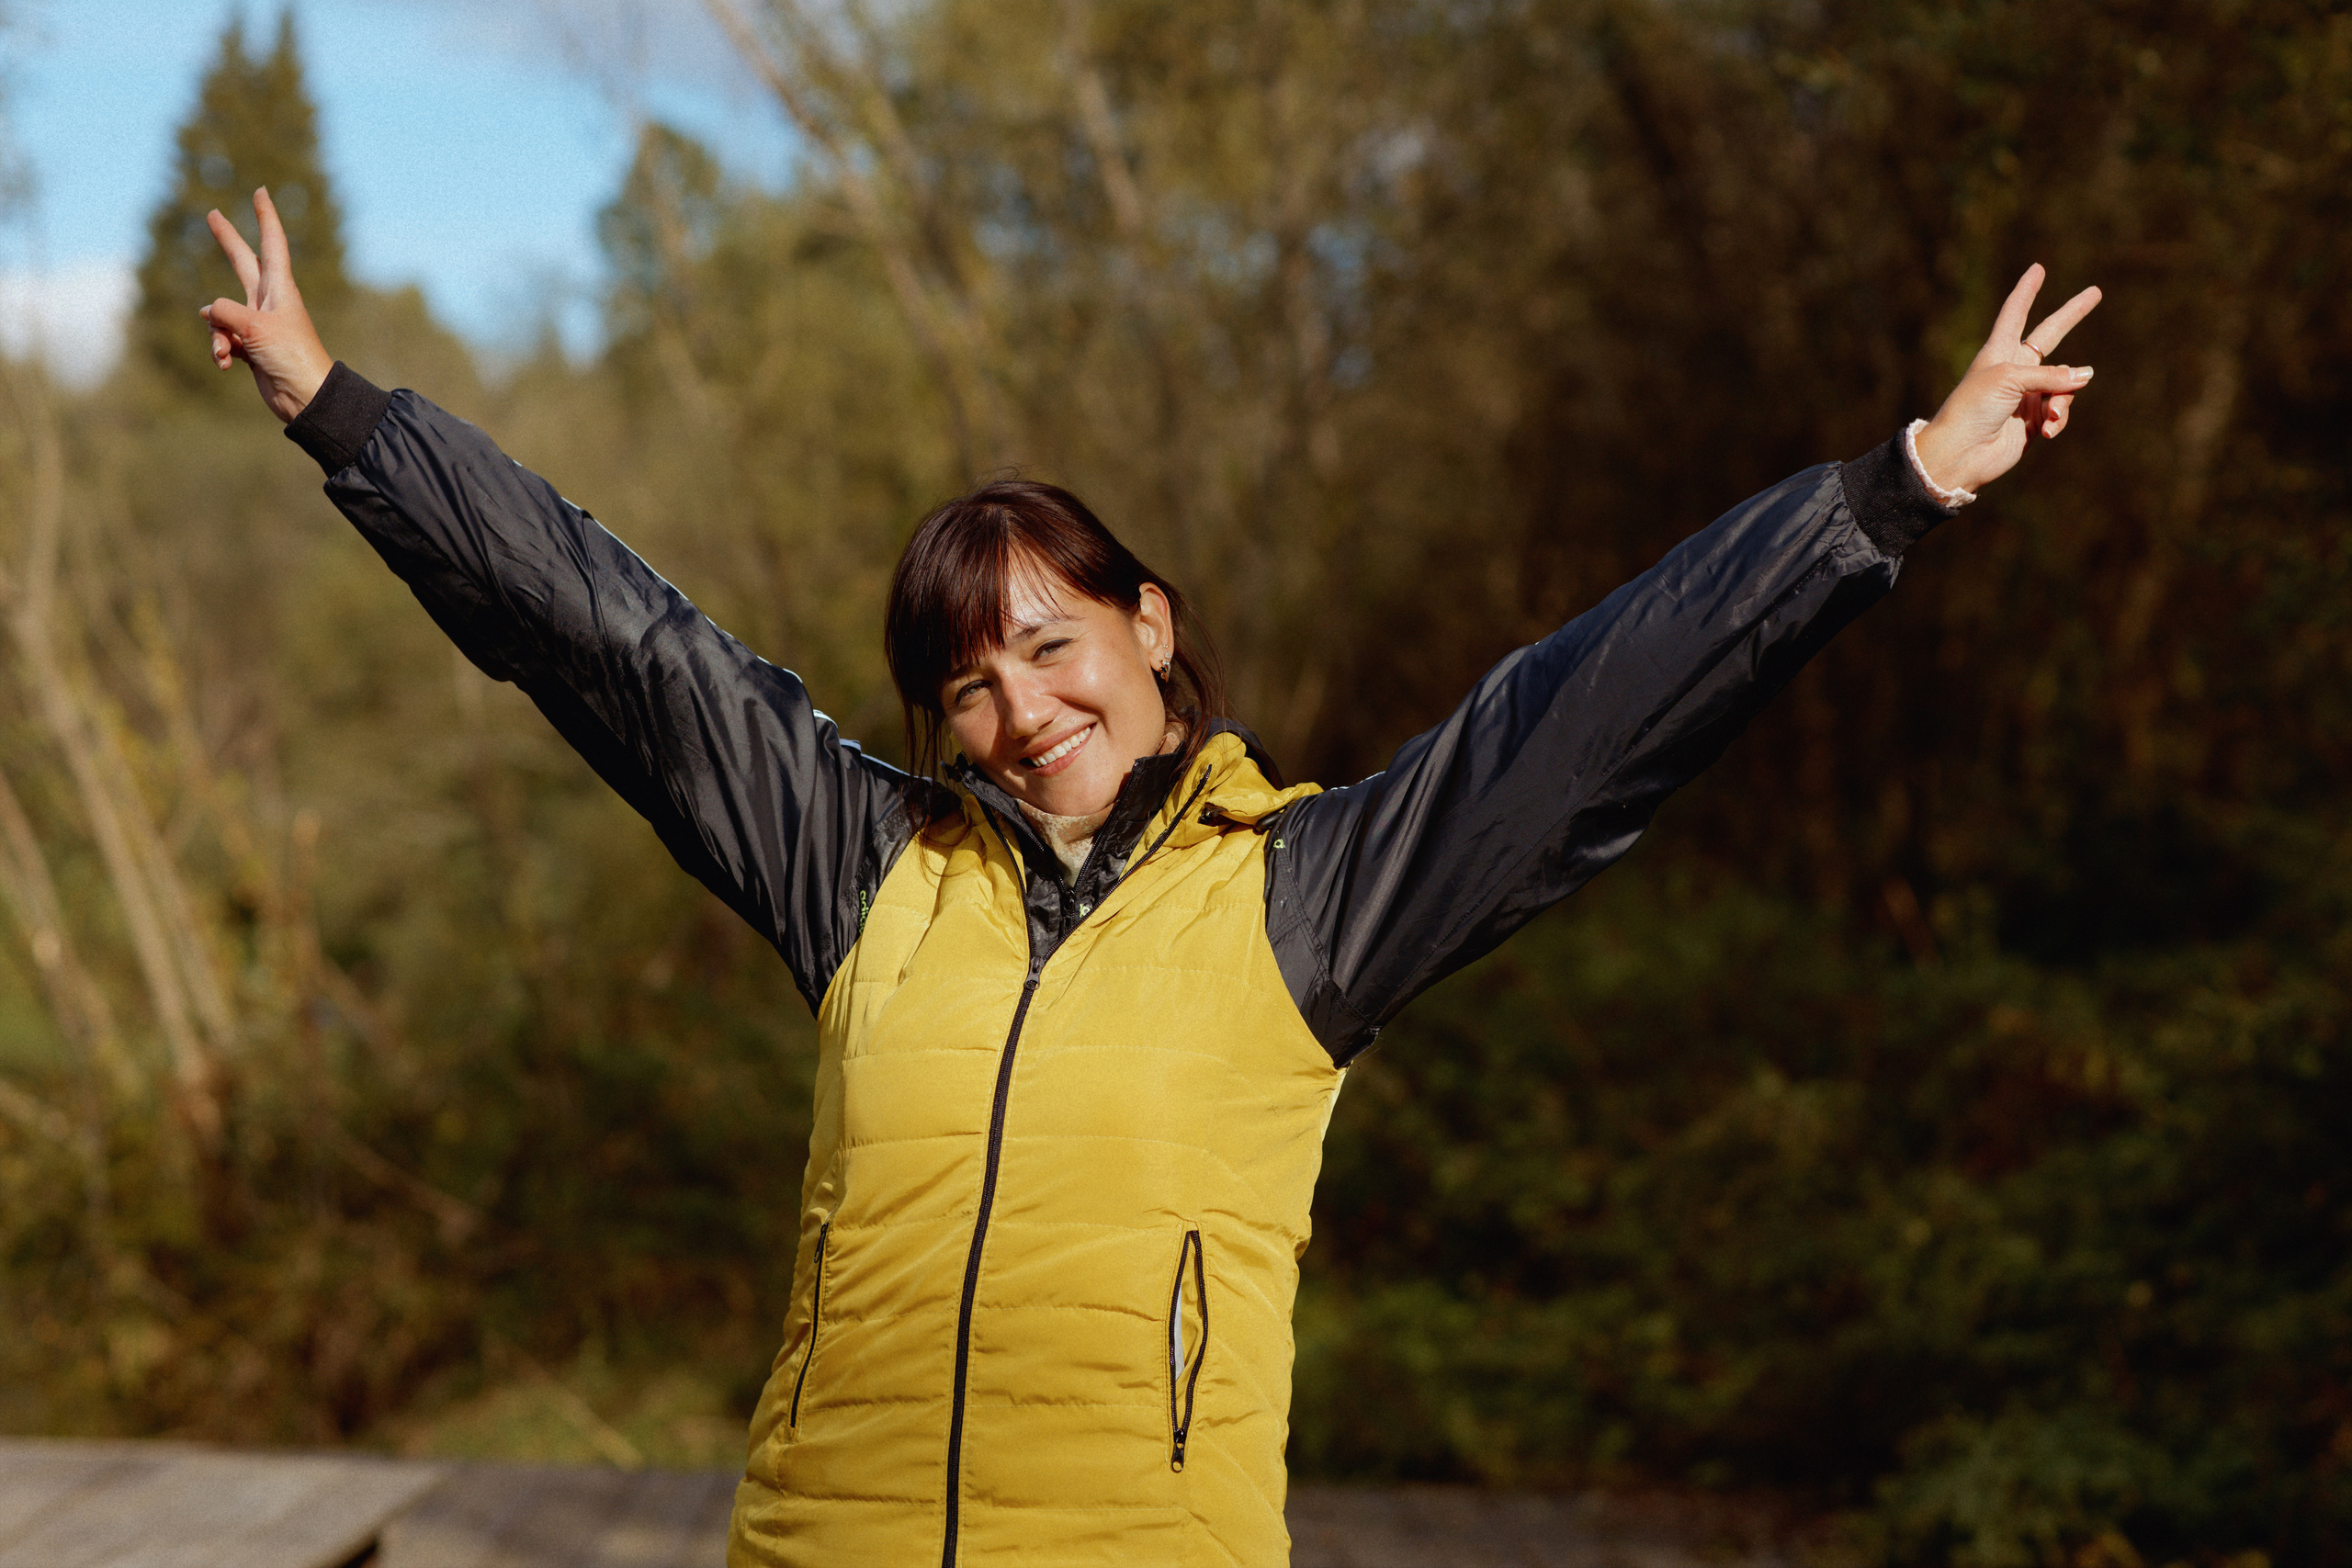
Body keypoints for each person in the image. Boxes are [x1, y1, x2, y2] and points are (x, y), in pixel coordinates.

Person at [198, 187, 2098, 1567]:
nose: (1022, 706)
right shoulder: (862, 869)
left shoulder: (1309, 891)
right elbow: (610, 641)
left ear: (1149, 624)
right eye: (968, 679)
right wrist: (339, 411)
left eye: (1049, 643)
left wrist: (1891, 491)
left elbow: (1586, 717)